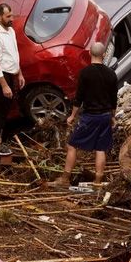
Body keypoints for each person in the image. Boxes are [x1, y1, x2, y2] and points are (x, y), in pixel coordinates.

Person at [54, 42, 118, 188]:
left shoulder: (85, 73)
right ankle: (97, 182)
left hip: (89, 117)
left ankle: (65, 178)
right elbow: (114, 99)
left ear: (90, 53)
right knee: (101, 149)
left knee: (72, 145)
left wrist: (72, 115)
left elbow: (79, 98)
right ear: (104, 55)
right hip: (105, 117)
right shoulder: (111, 74)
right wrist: (112, 116)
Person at [0, 3, 25, 157]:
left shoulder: (11, 31)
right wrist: (4, 86)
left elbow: (14, 54)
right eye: (8, 16)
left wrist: (19, 73)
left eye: (11, 15)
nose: (11, 19)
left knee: (7, 108)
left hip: (10, 74)